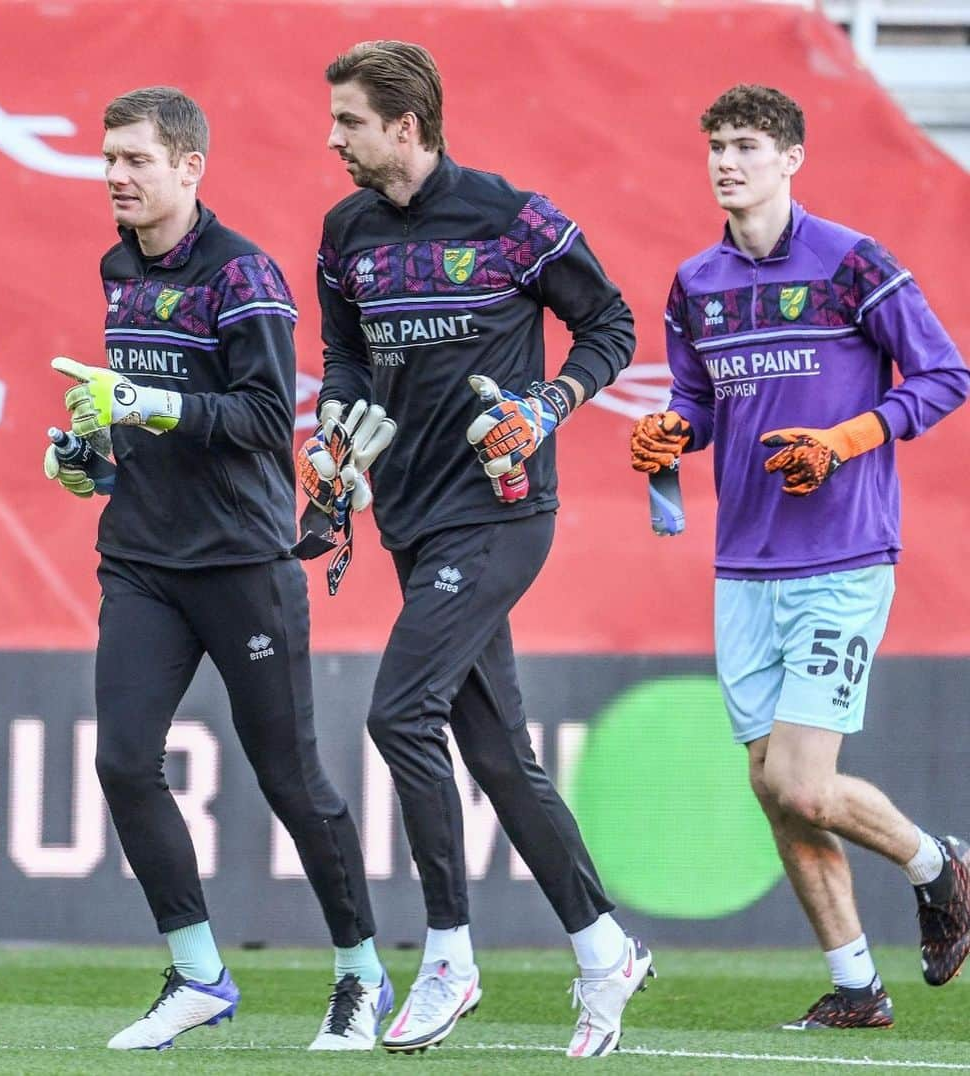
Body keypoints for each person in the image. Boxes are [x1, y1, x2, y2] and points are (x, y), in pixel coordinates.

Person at [302, 40, 652, 1058]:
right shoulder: (347, 232)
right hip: (410, 515)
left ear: (405, 126)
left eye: (351, 123)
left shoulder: (514, 217)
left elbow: (611, 322)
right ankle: (603, 945)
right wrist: (331, 438)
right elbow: (347, 356)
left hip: (501, 513)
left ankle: (449, 951)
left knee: (398, 711)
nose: (333, 139)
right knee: (498, 754)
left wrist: (547, 405)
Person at [43, 85, 392, 1052]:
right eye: (109, 157)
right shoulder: (118, 267)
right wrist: (92, 459)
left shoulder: (245, 278)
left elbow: (265, 422)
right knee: (120, 760)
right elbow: (140, 419)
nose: (116, 175)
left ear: (189, 168)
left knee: (289, 778)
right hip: (142, 563)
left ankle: (361, 973)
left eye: (136, 160)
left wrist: (145, 402)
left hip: (242, 563)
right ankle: (199, 973)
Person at [631, 83, 970, 1030]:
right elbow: (697, 404)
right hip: (744, 566)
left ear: (791, 158)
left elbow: (946, 375)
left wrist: (844, 440)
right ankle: (858, 984)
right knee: (772, 790)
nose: (726, 162)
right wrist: (669, 434)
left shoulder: (853, 263)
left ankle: (941, 865)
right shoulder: (695, 281)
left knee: (803, 783)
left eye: (745, 144)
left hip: (845, 556)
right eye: (716, 145)